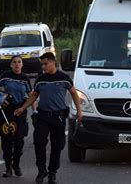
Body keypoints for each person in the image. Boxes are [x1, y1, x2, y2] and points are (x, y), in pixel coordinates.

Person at [14, 52, 83, 184]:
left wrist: (79, 111)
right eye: (42, 64)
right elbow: (34, 95)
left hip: (58, 117)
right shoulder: (40, 79)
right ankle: (41, 171)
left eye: (45, 64)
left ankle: (52, 173)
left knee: (57, 146)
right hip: (43, 116)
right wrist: (23, 108)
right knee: (39, 142)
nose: (43, 67)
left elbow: (74, 94)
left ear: (53, 62)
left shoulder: (64, 78)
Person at [0, 55, 35, 177]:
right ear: (11, 65)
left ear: (22, 64)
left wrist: (35, 112)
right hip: (6, 111)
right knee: (6, 141)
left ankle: (16, 164)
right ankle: (8, 167)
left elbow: (31, 96)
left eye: (19, 62)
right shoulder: (6, 75)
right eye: (14, 62)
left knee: (18, 141)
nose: (17, 64)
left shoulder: (25, 79)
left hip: (20, 111)